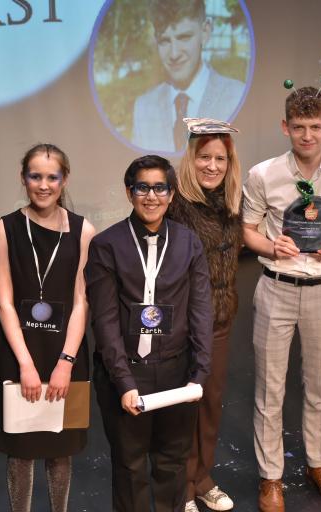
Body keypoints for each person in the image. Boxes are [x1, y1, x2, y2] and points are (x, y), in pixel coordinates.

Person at [241, 86, 321, 511]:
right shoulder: (263, 174)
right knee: (269, 389)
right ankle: (271, 477)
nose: (308, 135)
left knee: (318, 387)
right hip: (276, 286)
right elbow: (248, 231)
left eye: (315, 127)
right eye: (299, 127)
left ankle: (318, 465)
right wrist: (268, 246)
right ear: (285, 127)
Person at [85, 154, 213, 512]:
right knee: (130, 465)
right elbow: (106, 320)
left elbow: (201, 309)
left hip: (176, 370)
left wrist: (199, 374)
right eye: (143, 187)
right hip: (126, 371)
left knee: (173, 463)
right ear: (129, 192)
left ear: (171, 194)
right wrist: (124, 382)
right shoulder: (106, 245)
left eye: (160, 188)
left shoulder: (188, 242)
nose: (151, 196)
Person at [0, 143, 95, 512]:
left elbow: (82, 300)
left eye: (53, 176)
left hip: (67, 350)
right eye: (36, 176)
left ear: (64, 180)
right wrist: (26, 364)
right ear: (24, 178)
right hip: (19, 351)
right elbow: (4, 302)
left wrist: (66, 361)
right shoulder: (5, 229)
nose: (44, 185)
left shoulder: (84, 231)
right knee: (21, 450)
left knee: (61, 448)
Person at [167, 121, 243, 512]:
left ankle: (203, 478)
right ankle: (182, 486)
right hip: (182, 324)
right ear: (190, 158)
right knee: (186, 404)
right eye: (204, 157)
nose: (212, 166)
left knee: (211, 400)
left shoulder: (232, 201)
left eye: (221, 158)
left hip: (220, 320)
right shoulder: (173, 202)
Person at [131, 0, 246, 153]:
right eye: (164, 41)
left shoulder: (237, 96)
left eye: (184, 37)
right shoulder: (144, 107)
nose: (174, 54)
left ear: (205, 32)